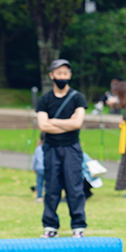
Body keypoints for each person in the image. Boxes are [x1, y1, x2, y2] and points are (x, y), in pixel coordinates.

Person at [37, 59, 89, 238]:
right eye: (58, 73)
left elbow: (77, 123)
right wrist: (68, 123)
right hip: (51, 148)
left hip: (71, 148)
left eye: (65, 73)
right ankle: (50, 226)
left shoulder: (77, 97)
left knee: (74, 187)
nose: (62, 76)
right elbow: (43, 126)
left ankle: (78, 227)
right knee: (51, 188)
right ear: (52, 75)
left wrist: (54, 121)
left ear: (70, 76)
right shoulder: (44, 100)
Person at [32, 133, 46, 202]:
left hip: (39, 168)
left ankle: (39, 197)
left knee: (39, 183)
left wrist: (34, 168)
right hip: (47, 168)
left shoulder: (38, 148)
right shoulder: (49, 149)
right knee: (47, 183)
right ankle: (47, 196)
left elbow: (35, 159)